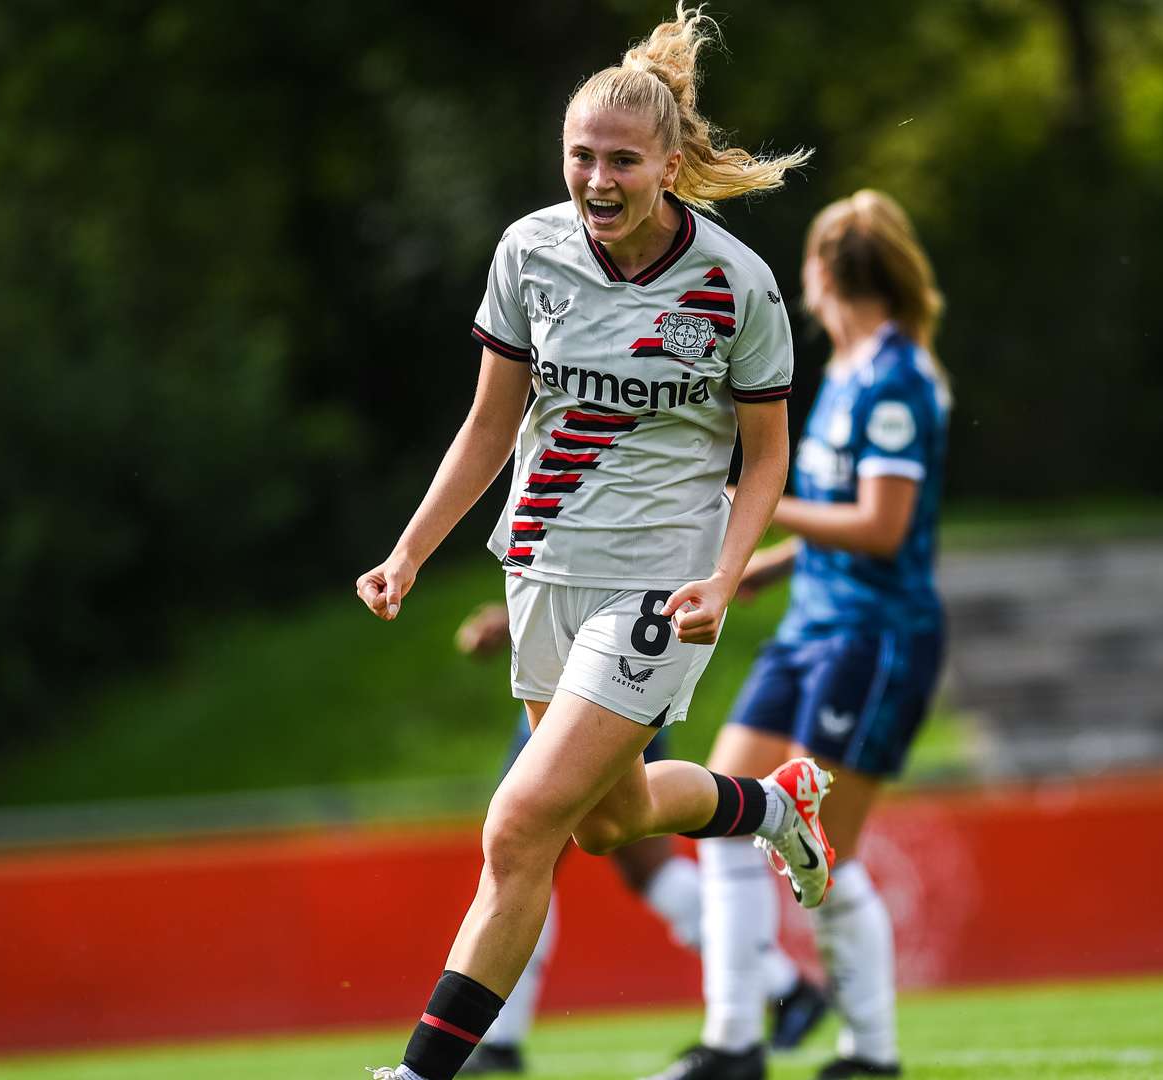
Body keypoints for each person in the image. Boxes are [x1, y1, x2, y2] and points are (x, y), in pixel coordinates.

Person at [356, 9, 832, 1080]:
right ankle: (772, 806)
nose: (598, 177)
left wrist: (722, 576)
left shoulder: (736, 286)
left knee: (519, 824)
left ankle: (420, 1074)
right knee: (607, 825)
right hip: (542, 571)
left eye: (623, 159)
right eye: (581, 155)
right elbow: (488, 427)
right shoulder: (528, 252)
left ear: (671, 165)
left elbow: (765, 459)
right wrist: (412, 550)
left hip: (658, 589)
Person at [646, 190, 949, 1080]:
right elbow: (820, 528)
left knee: (826, 846)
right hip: (814, 627)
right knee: (729, 815)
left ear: (821, 275)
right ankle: (735, 1041)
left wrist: (767, 504)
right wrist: (734, 572)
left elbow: (881, 528)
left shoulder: (896, 379)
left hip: (874, 637)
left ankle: (872, 1054)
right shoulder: (853, 370)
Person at [447, 606, 829, 1075]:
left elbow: (588, 550)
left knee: (526, 849)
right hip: (611, 664)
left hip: (599, 672)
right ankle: (785, 984)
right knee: (636, 854)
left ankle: (498, 1040)